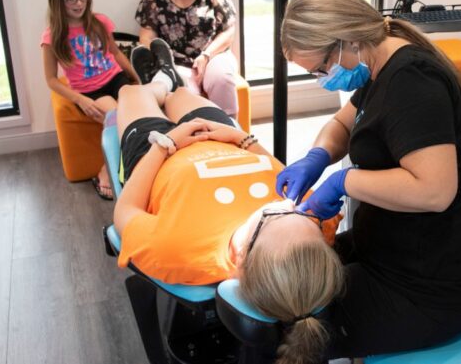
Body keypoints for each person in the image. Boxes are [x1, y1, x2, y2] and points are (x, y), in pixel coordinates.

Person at [276, 0, 461, 359]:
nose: (323, 79)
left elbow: (435, 191)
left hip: (429, 286)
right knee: (283, 288)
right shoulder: (377, 65)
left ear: (345, 40)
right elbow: (342, 126)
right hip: (387, 250)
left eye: (321, 69)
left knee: (288, 326)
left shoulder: (412, 82)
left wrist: (344, 181)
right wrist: (317, 157)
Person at [113, 49, 344, 364]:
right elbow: (279, 173)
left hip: (156, 152)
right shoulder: (315, 223)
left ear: (242, 261)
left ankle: (154, 83)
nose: (287, 205)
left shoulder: (180, 248)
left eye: (272, 215)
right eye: (295, 210)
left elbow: (124, 213)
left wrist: (166, 144)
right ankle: (166, 75)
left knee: (130, 92)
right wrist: (241, 137)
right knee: (181, 92)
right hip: (224, 137)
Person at [41, 0, 139, 200]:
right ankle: (105, 171)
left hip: (114, 78)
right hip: (89, 90)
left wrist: (135, 78)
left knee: (137, 111)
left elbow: (115, 53)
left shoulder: (99, 22)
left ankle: (135, 168)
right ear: (58, 2)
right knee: (116, 117)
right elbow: (51, 80)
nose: (79, 3)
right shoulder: (52, 36)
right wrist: (80, 99)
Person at [134, 0, 239, 117]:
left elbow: (229, 30)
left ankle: (232, 131)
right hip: (175, 61)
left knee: (221, 80)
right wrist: (152, 57)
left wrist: (206, 56)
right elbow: (146, 36)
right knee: (185, 92)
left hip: (213, 55)